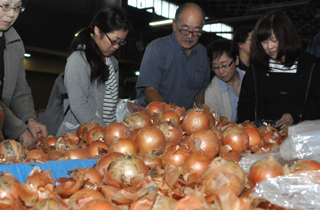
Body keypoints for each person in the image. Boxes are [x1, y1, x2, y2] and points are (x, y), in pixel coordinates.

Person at [56, 6, 144, 135]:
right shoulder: (79, 60)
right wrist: (104, 132)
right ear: (97, 30)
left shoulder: (112, 61)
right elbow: (79, 105)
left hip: (106, 134)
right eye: (114, 41)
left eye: (121, 42)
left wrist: (124, 105)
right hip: (82, 135)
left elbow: (104, 99)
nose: (116, 47)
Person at [237, 10, 320, 127]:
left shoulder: (310, 66)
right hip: (265, 139)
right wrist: (246, 122)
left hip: (301, 138)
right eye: (264, 42)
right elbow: (246, 103)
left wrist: (295, 115)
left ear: (286, 36)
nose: (270, 47)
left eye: (274, 40)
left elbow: (317, 102)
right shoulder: (256, 69)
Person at [135, 3, 210, 111]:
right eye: (184, 29)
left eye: (196, 31)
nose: (190, 36)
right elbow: (150, 91)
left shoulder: (202, 53)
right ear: (174, 24)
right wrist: (170, 113)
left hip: (186, 122)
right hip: (154, 119)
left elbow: (200, 91)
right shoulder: (157, 49)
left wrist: (200, 111)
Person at [0, 0, 48, 146]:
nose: (12, 14)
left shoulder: (15, 43)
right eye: (6, 6)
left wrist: (30, 119)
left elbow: (20, 90)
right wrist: (18, 129)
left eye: (17, 7)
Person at [204, 39, 245, 122]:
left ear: (236, 60)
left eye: (225, 65)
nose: (221, 71)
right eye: (215, 67)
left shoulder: (251, 80)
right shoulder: (211, 92)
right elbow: (215, 124)